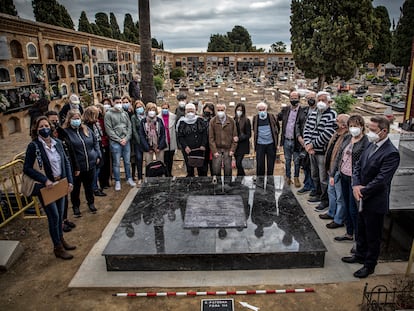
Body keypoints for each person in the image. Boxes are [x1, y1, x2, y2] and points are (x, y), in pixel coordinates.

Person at [342, 116, 400, 278]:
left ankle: (369, 264)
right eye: (369, 129)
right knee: (361, 229)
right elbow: (358, 165)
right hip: (360, 195)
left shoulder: (391, 153)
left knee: (373, 234)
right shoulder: (371, 145)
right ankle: (359, 255)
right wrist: (355, 185)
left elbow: (382, 180)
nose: (370, 133)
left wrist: (362, 190)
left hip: (374, 201)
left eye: (373, 130)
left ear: (384, 131)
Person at [23, 116, 75, 260]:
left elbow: (66, 163)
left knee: (60, 214)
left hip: (61, 183)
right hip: (48, 187)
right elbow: (27, 168)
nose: (44, 128)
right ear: (36, 129)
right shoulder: (34, 146)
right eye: (41, 127)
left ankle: (61, 239)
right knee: (54, 216)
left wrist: (70, 181)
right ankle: (57, 247)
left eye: (46, 125)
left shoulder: (57, 143)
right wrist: (44, 180)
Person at [331, 114, 369, 244]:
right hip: (343, 176)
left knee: (354, 210)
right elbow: (339, 156)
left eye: (356, 126)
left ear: (362, 127)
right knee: (346, 206)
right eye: (351, 126)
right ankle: (348, 233)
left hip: (355, 180)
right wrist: (333, 173)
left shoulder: (366, 142)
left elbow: (364, 163)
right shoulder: (347, 138)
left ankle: (358, 240)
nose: (353, 129)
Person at [63, 109, 101, 217]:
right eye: (74, 119)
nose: (77, 120)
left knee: (89, 186)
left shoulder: (86, 129)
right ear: (69, 120)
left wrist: (97, 155)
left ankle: (91, 203)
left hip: (90, 163)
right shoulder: (66, 133)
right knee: (76, 188)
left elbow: (95, 142)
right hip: (77, 167)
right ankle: (76, 206)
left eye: (78, 118)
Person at [303, 91, 337, 212]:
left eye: (324, 100)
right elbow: (306, 129)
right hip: (311, 151)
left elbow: (327, 134)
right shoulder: (313, 113)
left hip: (322, 152)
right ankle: (317, 194)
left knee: (324, 178)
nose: (321, 102)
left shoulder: (332, 114)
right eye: (319, 100)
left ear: (329, 102)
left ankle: (325, 200)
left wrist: (312, 144)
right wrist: (307, 144)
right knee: (314, 174)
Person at [45, 110, 76, 233]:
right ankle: (59, 225)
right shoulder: (43, 141)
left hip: (62, 173)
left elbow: (68, 150)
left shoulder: (61, 133)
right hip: (51, 178)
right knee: (55, 204)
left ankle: (64, 219)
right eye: (52, 121)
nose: (55, 122)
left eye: (56, 120)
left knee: (64, 198)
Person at [318, 114, 350, 229]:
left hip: (337, 171)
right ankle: (331, 213)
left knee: (340, 197)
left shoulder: (347, 138)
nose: (334, 122)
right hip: (331, 169)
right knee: (331, 193)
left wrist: (334, 172)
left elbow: (340, 157)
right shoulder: (336, 134)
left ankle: (339, 219)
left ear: (344, 125)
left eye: (337, 121)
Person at [104, 96, 136, 191]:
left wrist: (126, 138)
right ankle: (117, 180)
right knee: (116, 163)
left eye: (120, 102)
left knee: (127, 161)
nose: (119, 104)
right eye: (117, 102)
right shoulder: (108, 114)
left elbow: (129, 127)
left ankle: (129, 178)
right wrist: (119, 139)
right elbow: (109, 130)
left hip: (126, 141)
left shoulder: (124, 113)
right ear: (113, 103)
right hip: (115, 142)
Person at [278, 91, 304, 187]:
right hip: (286, 139)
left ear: (299, 98)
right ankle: (288, 177)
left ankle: (296, 177)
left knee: (297, 161)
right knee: (287, 160)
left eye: (295, 98)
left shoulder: (302, 111)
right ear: (289, 99)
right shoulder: (285, 110)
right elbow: (278, 118)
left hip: (296, 141)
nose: (293, 100)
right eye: (292, 98)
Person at [176, 103, 208, 177]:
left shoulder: (200, 120)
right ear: (185, 111)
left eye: (192, 111)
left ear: (195, 111)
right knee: (190, 169)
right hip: (188, 149)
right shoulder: (182, 122)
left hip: (199, 148)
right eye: (188, 111)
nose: (190, 113)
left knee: (201, 169)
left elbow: (204, 134)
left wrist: (203, 145)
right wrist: (185, 146)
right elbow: (180, 136)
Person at [82, 106, 106, 197]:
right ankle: (94, 188)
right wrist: (96, 154)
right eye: (96, 114)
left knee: (98, 168)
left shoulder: (96, 123)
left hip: (99, 145)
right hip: (93, 150)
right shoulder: (87, 126)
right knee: (95, 170)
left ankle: (96, 186)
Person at [209, 103, 238, 177]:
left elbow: (235, 137)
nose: (220, 111)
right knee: (216, 169)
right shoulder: (213, 121)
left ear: (225, 110)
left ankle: (228, 185)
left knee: (228, 169)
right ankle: (217, 185)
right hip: (217, 148)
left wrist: (232, 149)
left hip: (228, 149)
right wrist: (214, 151)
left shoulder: (231, 121)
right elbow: (211, 138)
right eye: (218, 110)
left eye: (222, 110)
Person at [296, 91, 317, 194]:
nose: (310, 100)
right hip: (303, 142)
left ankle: (314, 188)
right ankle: (307, 185)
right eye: (308, 98)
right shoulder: (303, 110)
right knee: (305, 165)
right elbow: (297, 124)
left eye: (312, 98)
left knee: (313, 167)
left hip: (314, 144)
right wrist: (299, 137)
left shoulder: (319, 111)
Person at [252, 102, 279, 176]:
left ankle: (270, 181)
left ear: (266, 109)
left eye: (263, 109)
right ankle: (260, 181)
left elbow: (277, 129)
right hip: (260, 144)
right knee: (260, 165)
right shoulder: (255, 118)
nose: (262, 111)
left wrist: (276, 143)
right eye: (260, 110)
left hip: (271, 144)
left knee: (270, 164)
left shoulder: (272, 117)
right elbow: (255, 130)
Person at [158, 102, 177, 177]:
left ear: (169, 108)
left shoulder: (173, 117)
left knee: (171, 159)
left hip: (171, 140)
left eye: (166, 108)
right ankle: (166, 173)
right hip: (163, 141)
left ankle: (170, 172)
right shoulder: (158, 118)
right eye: (163, 108)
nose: (164, 109)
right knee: (165, 159)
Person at [95, 103, 111, 189]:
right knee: (102, 164)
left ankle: (107, 181)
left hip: (106, 143)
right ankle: (102, 183)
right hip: (99, 145)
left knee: (107, 164)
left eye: (99, 108)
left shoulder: (104, 119)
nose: (98, 110)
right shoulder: (94, 121)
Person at [234, 103, 251, 176]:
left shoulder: (246, 121)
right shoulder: (233, 120)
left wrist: (239, 138)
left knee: (238, 163)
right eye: (238, 109)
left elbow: (248, 134)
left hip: (242, 145)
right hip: (235, 145)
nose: (239, 111)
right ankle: (240, 178)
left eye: (241, 110)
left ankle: (242, 176)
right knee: (237, 163)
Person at [131, 100, 146, 185]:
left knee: (148, 159)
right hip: (138, 141)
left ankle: (148, 176)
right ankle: (140, 177)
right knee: (139, 159)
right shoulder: (134, 117)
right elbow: (134, 130)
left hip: (146, 141)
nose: (139, 109)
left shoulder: (146, 116)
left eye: (140, 107)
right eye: (137, 107)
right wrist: (139, 140)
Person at [200, 103, 215, 176]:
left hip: (212, 145)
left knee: (213, 165)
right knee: (203, 165)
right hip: (203, 145)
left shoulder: (214, 120)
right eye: (205, 111)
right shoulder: (201, 120)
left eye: (209, 111)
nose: (207, 112)